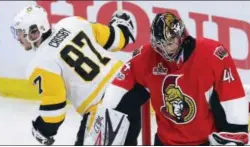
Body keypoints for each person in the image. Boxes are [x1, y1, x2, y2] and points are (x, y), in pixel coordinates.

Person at [93, 12, 249, 145]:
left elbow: (232, 96)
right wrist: (107, 111)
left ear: (181, 36)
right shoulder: (146, 56)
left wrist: (236, 132)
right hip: (164, 142)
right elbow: (119, 91)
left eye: (169, 44)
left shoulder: (212, 53)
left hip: (203, 142)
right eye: (159, 45)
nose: (164, 50)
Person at [10, 5, 148, 145]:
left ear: (35, 31)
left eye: (21, 32)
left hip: (105, 107)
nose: (18, 38)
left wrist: (43, 129)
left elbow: (55, 108)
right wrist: (120, 24)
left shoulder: (39, 63)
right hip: (130, 89)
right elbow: (116, 40)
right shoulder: (72, 23)